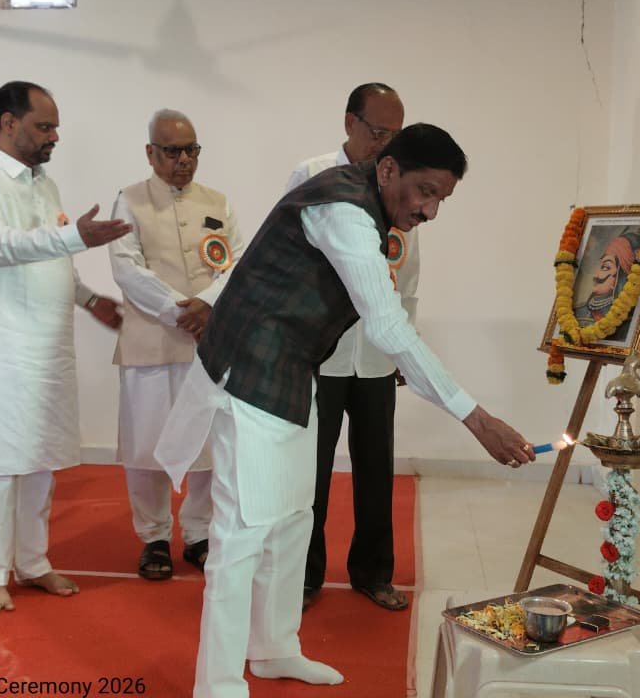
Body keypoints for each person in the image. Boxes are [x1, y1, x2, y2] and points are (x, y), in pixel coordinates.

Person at [156, 123, 535, 697]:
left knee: (294, 519)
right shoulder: (345, 210)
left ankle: (274, 648)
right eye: (425, 192)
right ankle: (218, 685)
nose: (430, 210)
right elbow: (387, 325)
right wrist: (477, 419)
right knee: (243, 533)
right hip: (250, 370)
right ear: (388, 169)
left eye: (441, 199)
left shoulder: (364, 203)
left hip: (292, 371)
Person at [0, 80, 128, 614]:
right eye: (44, 126)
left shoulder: (44, 185)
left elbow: (54, 259)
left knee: (39, 462)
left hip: (46, 350)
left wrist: (89, 299)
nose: (55, 136)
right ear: (8, 123)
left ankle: (33, 562)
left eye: (55, 127)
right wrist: (77, 237)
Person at [283, 82, 414, 611]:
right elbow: (289, 257)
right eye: (377, 132)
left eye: (394, 136)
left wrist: (404, 347)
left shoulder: (399, 184)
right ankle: (304, 575)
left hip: (377, 356)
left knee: (377, 470)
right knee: (310, 473)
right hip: (322, 354)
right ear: (349, 123)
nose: (384, 145)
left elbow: (409, 274)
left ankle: (373, 572)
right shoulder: (311, 174)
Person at [109, 109, 243, 581]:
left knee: (209, 444)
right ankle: (154, 538)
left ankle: (200, 533)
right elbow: (126, 268)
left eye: (191, 150)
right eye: (172, 151)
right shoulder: (128, 200)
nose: (183, 159)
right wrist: (180, 312)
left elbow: (237, 263)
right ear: (151, 153)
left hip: (210, 342)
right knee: (147, 445)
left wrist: (207, 305)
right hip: (151, 340)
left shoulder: (218, 202)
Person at [574, 229, 640, 337]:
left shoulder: (633, 320)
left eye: (605, 267)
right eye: (601, 266)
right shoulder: (579, 311)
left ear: (621, 276)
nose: (596, 275)